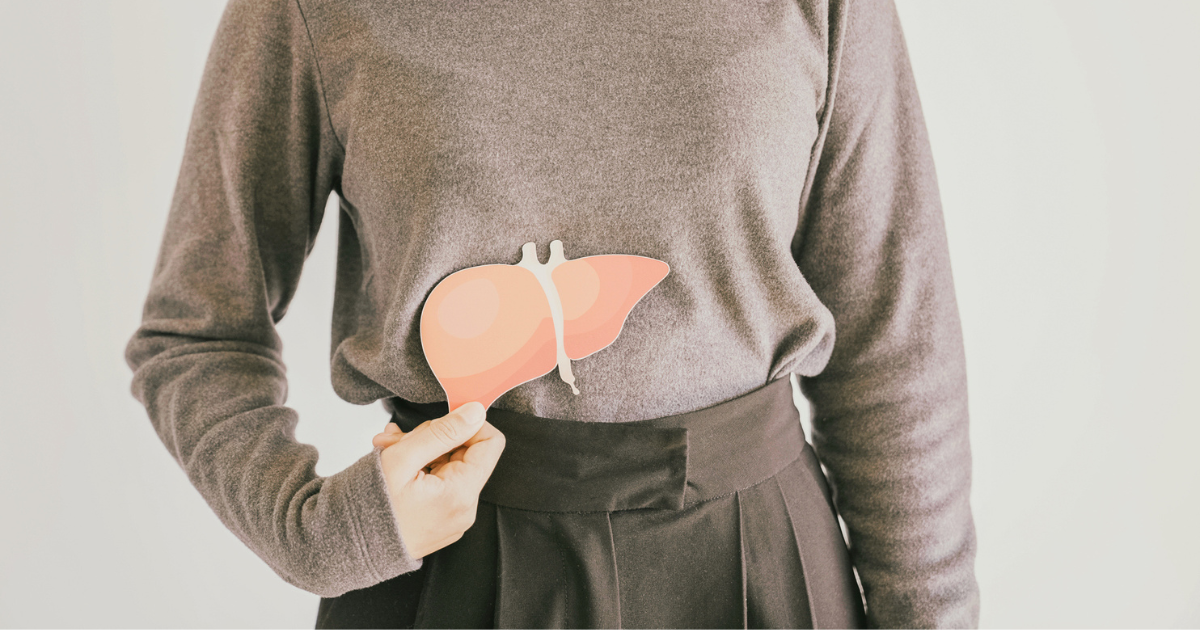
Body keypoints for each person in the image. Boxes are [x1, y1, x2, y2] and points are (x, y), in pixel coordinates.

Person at [124, 0, 979, 627]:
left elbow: (893, 345)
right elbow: (193, 331)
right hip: (448, 571)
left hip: (758, 569)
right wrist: (314, 532)